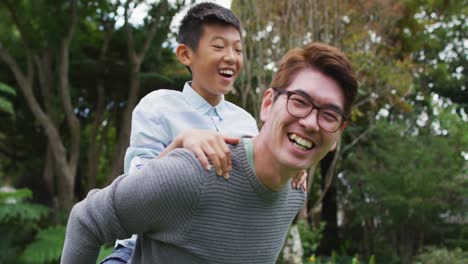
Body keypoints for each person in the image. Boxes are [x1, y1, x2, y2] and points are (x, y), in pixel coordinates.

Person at [61, 42, 358, 263]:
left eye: (328, 115)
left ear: (337, 135)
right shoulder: (194, 172)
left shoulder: (295, 193)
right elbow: (87, 221)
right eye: (299, 101)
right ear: (268, 104)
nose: (309, 122)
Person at [103, 3, 305, 263]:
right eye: (219, 46)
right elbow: (134, 194)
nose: (231, 57)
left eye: (238, 49)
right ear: (186, 54)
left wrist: (289, 166)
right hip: (140, 251)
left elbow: (257, 191)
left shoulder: (245, 122)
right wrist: (180, 143)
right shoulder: (159, 106)